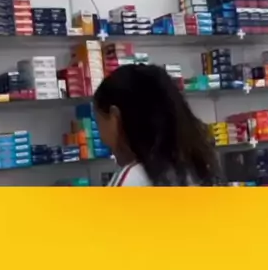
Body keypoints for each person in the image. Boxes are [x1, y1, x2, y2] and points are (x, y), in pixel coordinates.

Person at [93, 64, 222, 186]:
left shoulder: (133, 179)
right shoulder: (195, 169)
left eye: (99, 122)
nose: (102, 138)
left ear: (115, 118)